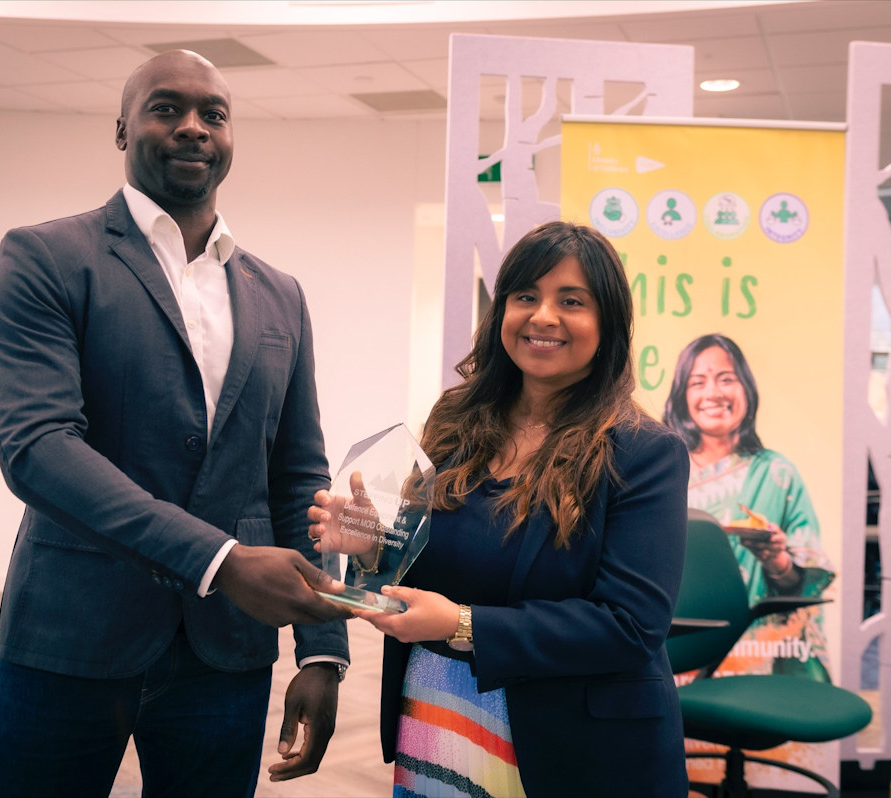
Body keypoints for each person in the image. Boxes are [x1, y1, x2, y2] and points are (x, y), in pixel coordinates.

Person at [0, 50, 351, 798]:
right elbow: (39, 448)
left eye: (213, 114)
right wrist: (222, 560)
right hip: (73, 634)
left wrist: (321, 648)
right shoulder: (47, 257)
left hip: (227, 655)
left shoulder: (280, 294)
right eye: (165, 108)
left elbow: (299, 475)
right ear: (122, 129)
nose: (192, 128)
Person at [309, 221, 690, 797]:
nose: (543, 316)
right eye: (525, 296)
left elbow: (630, 625)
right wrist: (373, 548)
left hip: (573, 742)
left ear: (607, 322)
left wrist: (464, 624)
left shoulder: (643, 451)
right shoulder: (455, 423)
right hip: (439, 706)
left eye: (572, 301)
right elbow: (422, 567)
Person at [663, 333, 835, 681]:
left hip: (756, 655)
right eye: (698, 382)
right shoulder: (661, 471)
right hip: (670, 645)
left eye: (726, 379)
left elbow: (804, 586)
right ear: (683, 396)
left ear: (747, 389)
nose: (713, 393)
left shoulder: (776, 474)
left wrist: (777, 561)